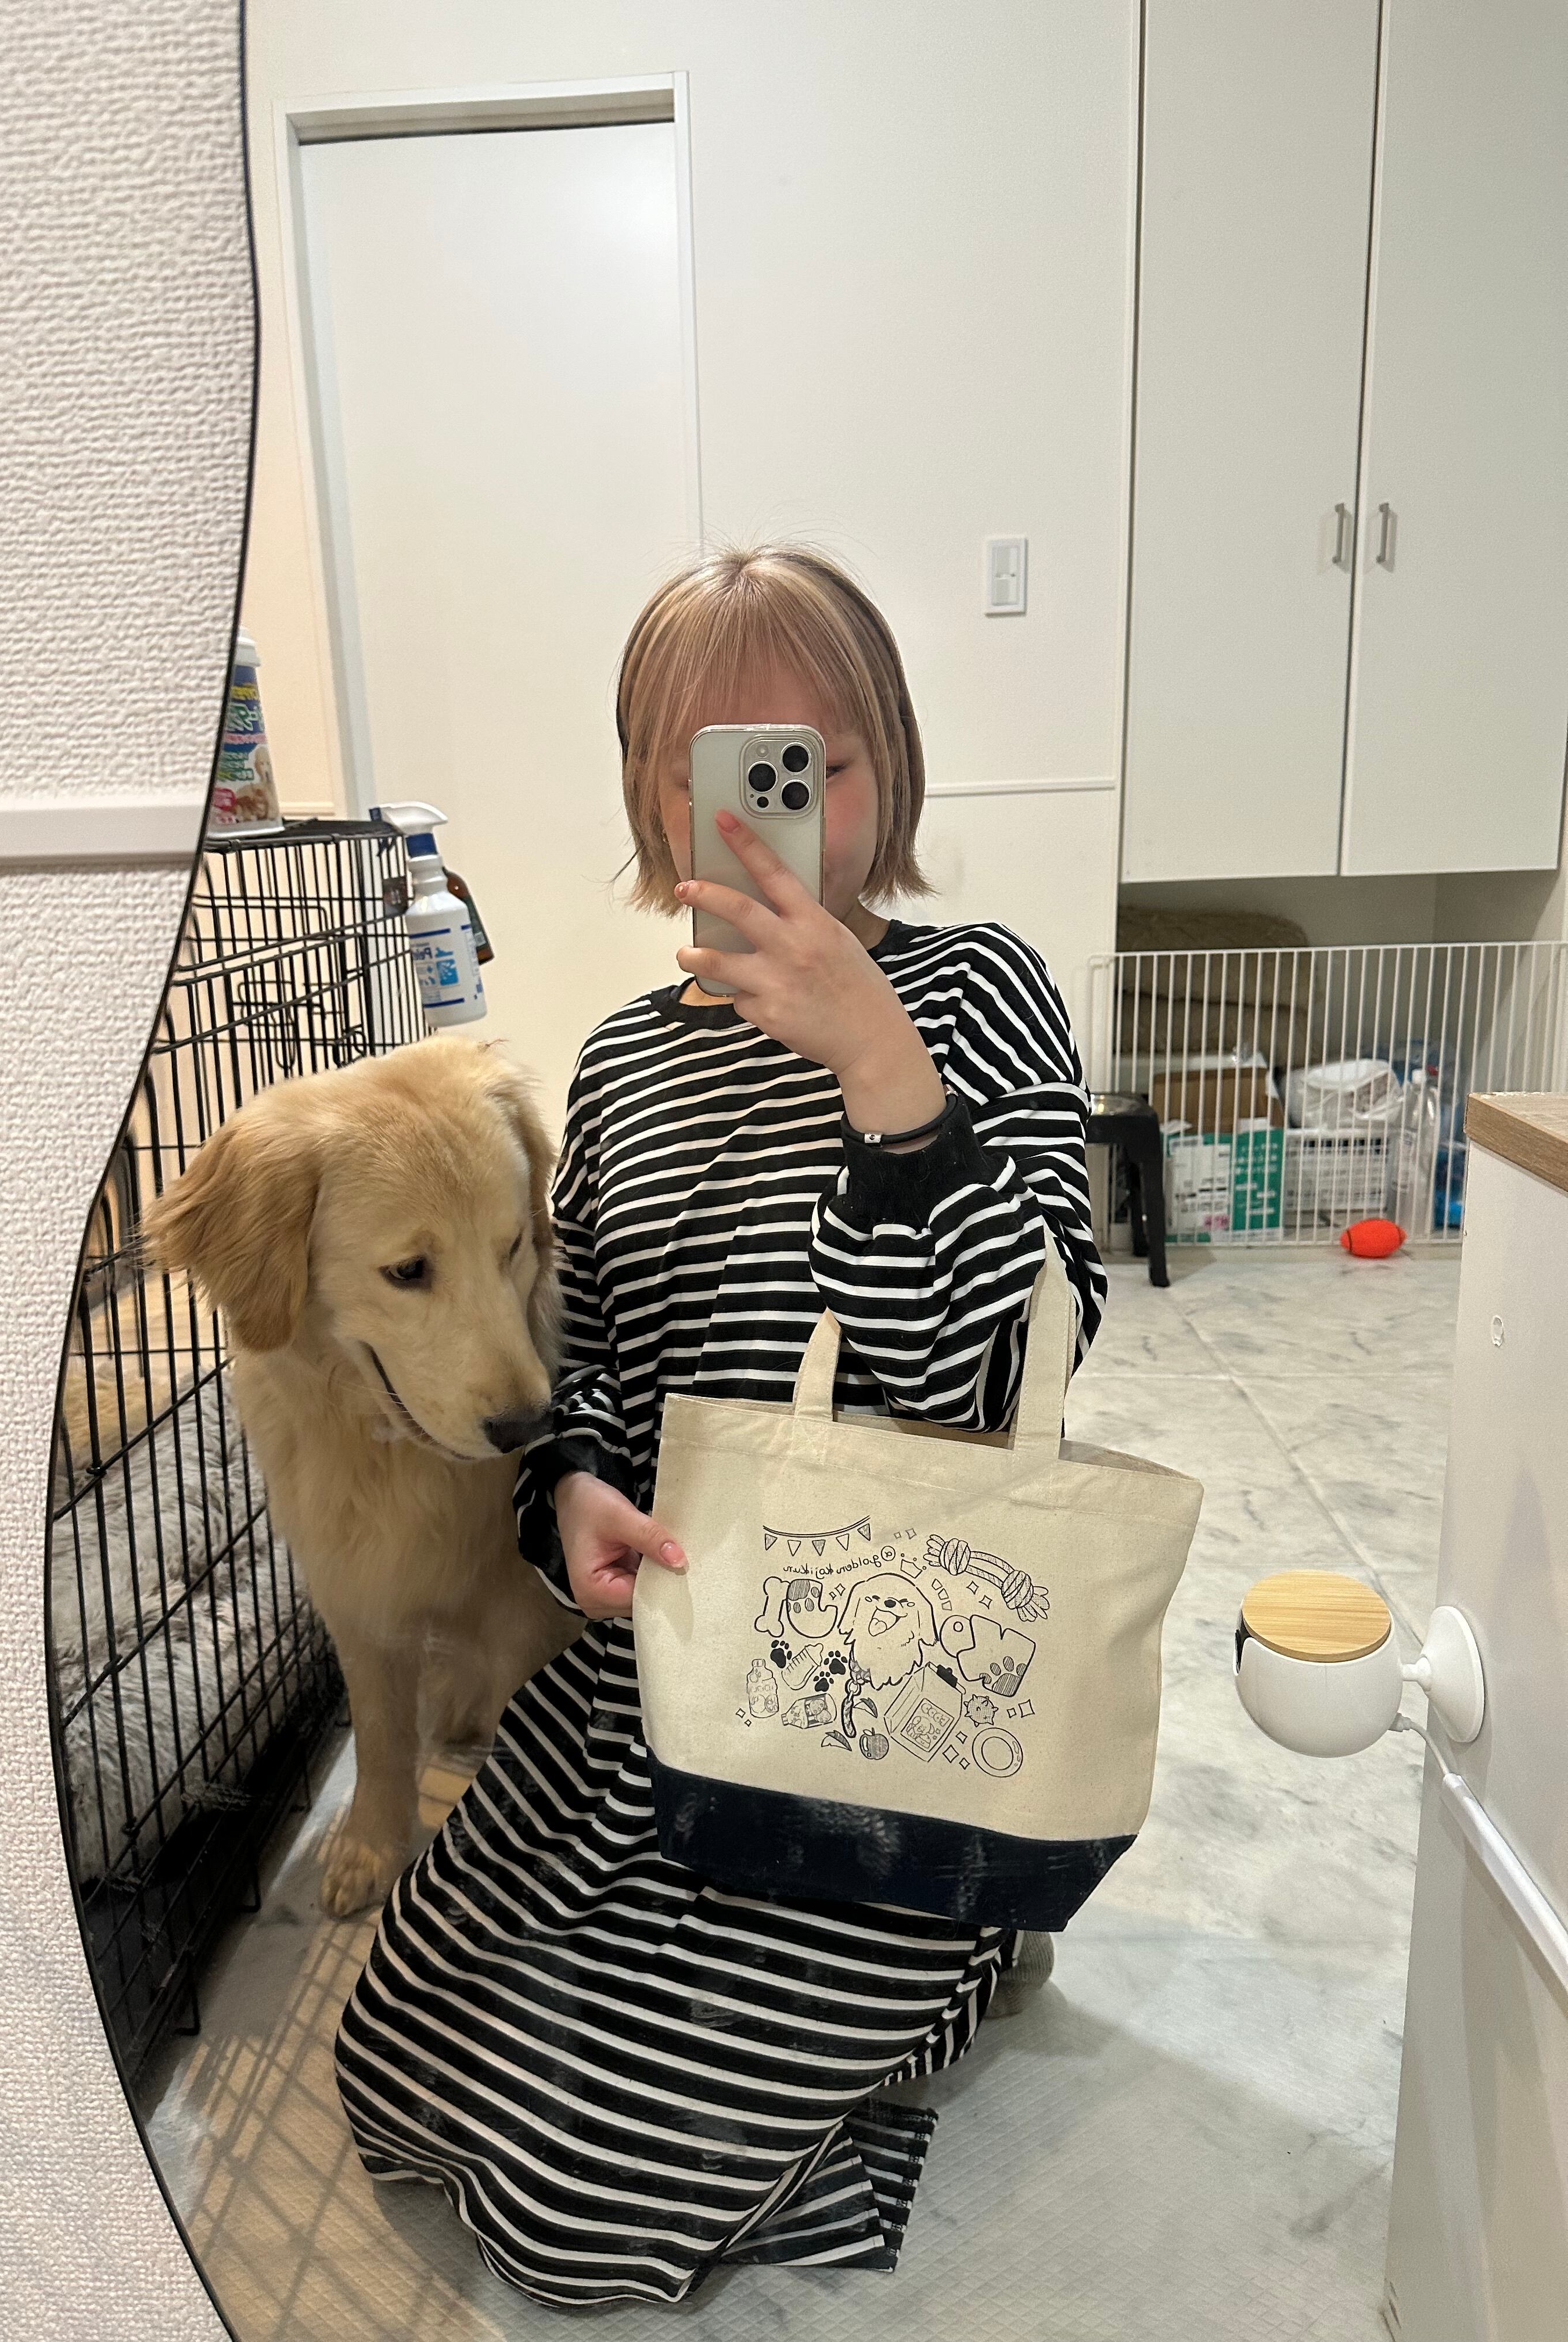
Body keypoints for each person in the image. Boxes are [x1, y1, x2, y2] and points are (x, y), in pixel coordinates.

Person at [336, 544, 1107, 2308]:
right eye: (729, 773)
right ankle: (794, 2002)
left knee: (579, 2206)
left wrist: (881, 1071)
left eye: (820, 766)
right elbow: (595, 1354)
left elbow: (1020, 1360)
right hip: (666, 1678)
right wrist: (568, 1492)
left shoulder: (978, 989)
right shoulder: (621, 1060)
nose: (778, 819)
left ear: (889, 770)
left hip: (902, 1702)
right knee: (404, 2065)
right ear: (653, 796)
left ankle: (966, 1944)